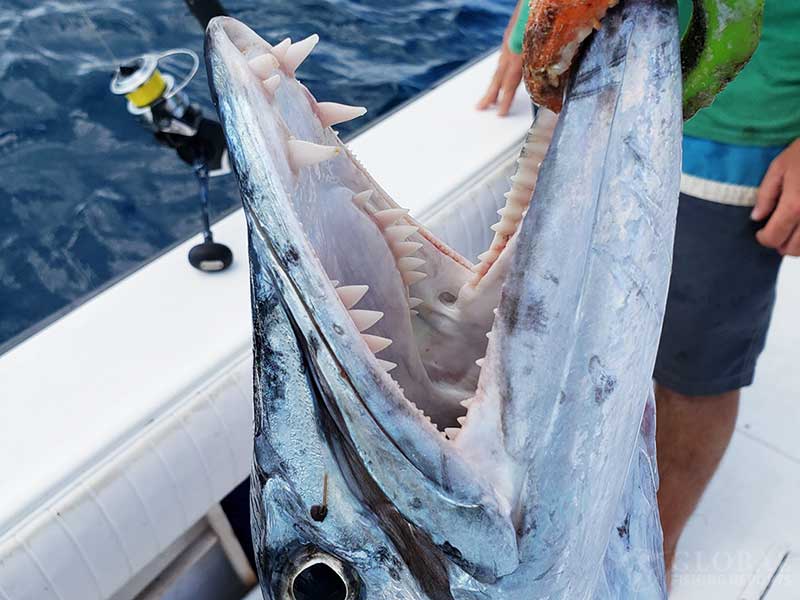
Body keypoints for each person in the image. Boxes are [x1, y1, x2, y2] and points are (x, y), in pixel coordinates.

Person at [479, 0, 800, 589]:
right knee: (536, 339)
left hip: (740, 136)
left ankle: (653, 545)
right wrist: (530, 17)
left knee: (694, 370)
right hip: (581, 81)